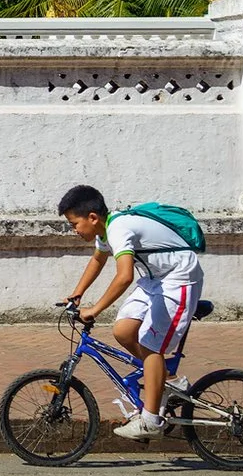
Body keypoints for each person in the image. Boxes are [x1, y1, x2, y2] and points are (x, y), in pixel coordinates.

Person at [57, 183, 202, 440]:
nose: (74, 230)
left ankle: (151, 421)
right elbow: (98, 259)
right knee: (123, 331)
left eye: (74, 223)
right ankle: (167, 379)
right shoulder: (106, 230)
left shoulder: (119, 229)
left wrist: (96, 308)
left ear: (92, 217)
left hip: (179, 278)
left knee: (150, 345)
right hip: (154, 278)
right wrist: (77, 293)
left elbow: (124, 277)